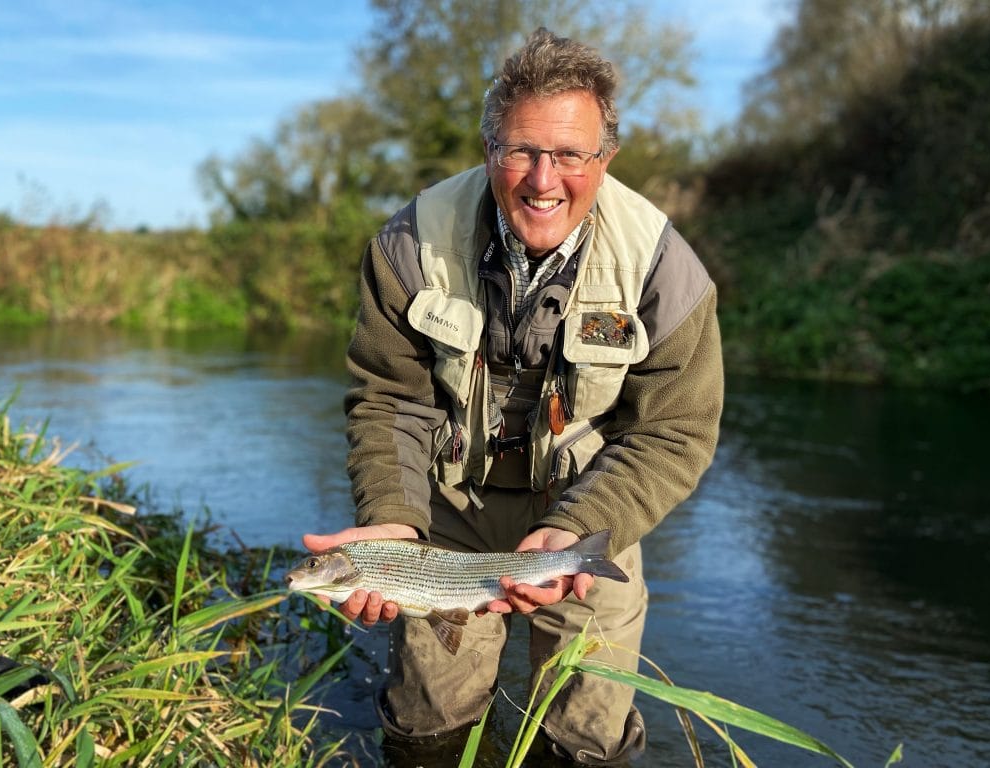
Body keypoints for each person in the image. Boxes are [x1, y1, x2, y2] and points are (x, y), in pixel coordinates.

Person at [302, 27, 723, 765]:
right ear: (489, 148)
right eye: (522, 150)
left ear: (606, 157)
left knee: (586, 736)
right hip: (444, 516)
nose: (543, 178)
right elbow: (389, 400)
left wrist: (582, 527)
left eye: (569, 155)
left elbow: (672, 434)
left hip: (591, 507)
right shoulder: (408, 245)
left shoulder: (665, 270)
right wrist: (392, 522)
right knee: (426, 725)